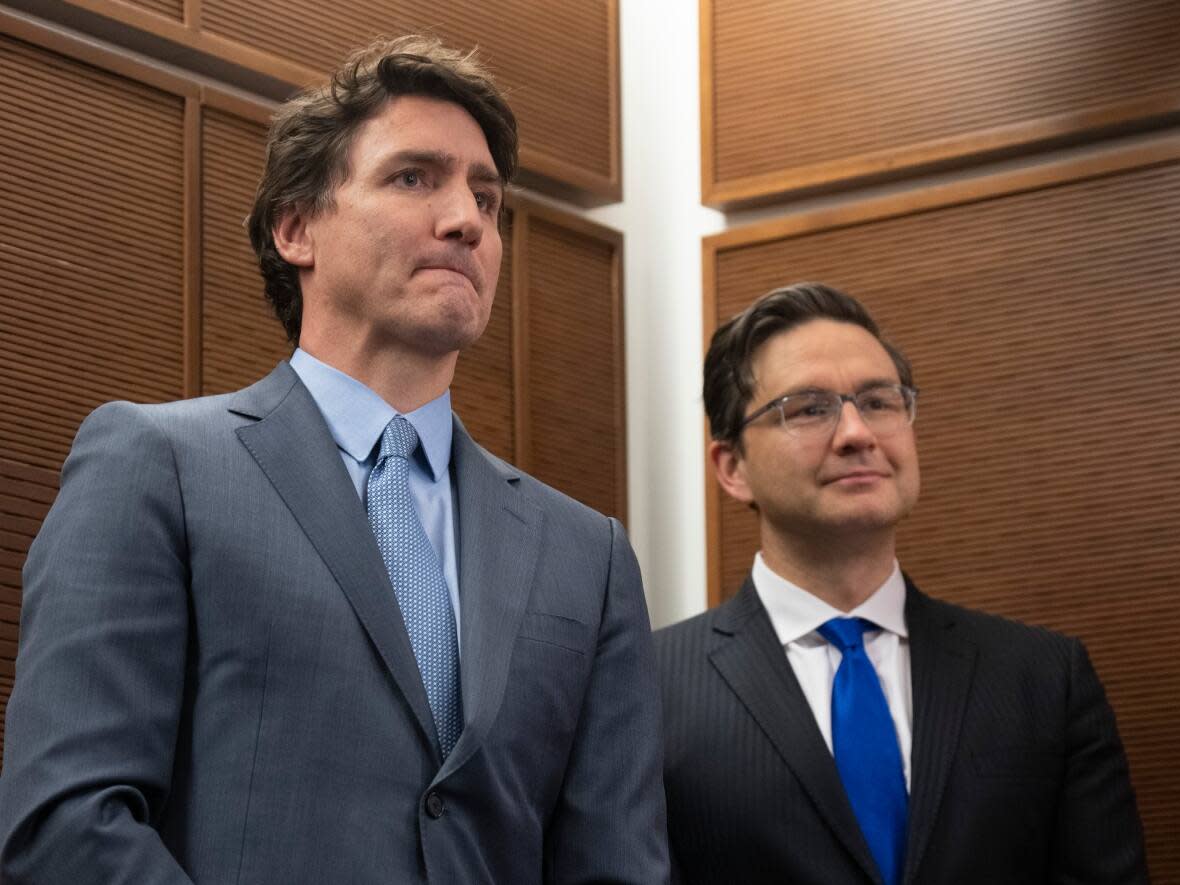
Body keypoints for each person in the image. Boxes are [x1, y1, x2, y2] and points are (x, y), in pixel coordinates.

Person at [0, 36, 667, 884]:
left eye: (488, 198)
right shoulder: (155, 464)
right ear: (296, 227)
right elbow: (68, 823)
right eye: (414, 177)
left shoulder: (591, 555)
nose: (466, 218)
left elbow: (617, 865)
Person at [655, 283, 1147, 885]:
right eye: (810, 408)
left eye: (879, 401)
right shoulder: (646, 689)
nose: (858, 433)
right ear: (732, 468)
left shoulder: (1044, 678)